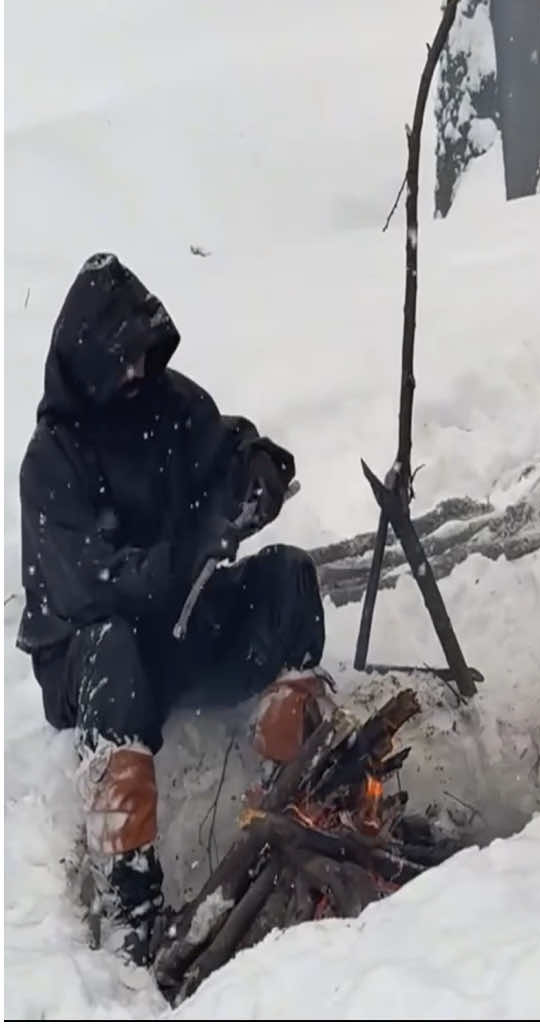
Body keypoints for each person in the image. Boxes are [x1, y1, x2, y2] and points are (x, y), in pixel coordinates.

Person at [17, 253, 332, 965]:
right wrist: (189, 548)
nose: (136, 373)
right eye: (121, 360)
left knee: (288, 579)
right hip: (91, 660)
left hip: (180, 625)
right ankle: (131, 903)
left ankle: (292, 788)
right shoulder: (52, 461)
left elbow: (228, 447)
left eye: (143, 356)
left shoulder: (169, 405)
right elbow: (92, 588)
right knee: (112, 646)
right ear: (86, 362)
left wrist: (257, 471)